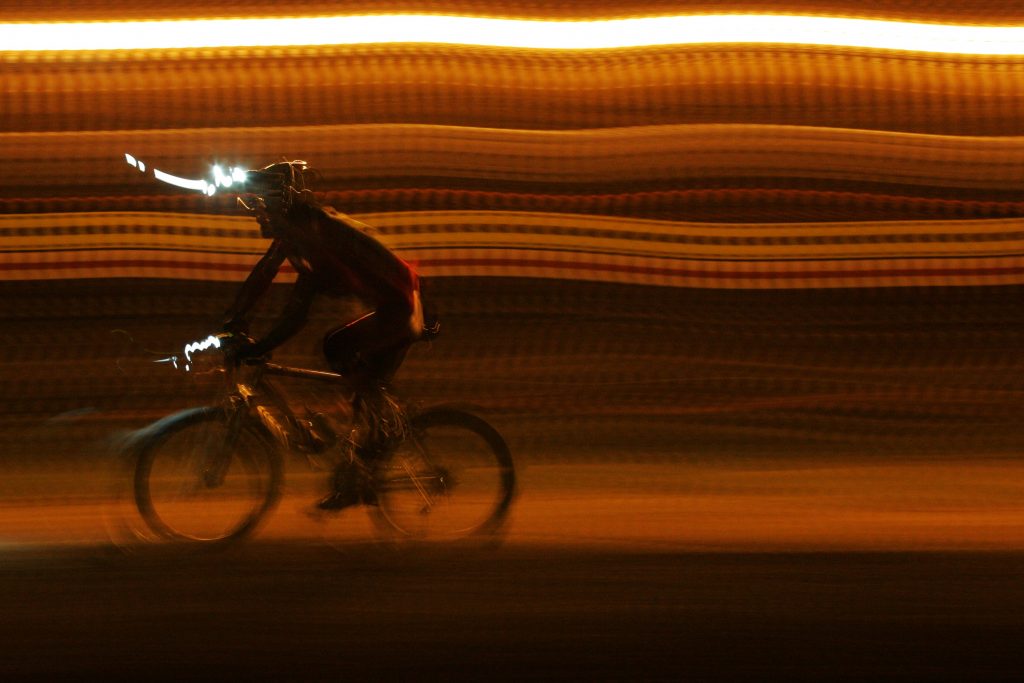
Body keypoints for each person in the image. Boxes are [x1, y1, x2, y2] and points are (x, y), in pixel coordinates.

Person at [222, 160, 428, 510]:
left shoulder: (317, 236)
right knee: (340, 352)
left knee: (346, 354)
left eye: (263, 203)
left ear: (283, 202)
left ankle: (369, 459)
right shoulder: (299, 231)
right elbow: (262, 276)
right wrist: (234, 321)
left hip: (401, 308)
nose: (258, 212)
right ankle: (363, 452)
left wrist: (261, 346)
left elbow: (297, 313)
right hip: (394, 303)